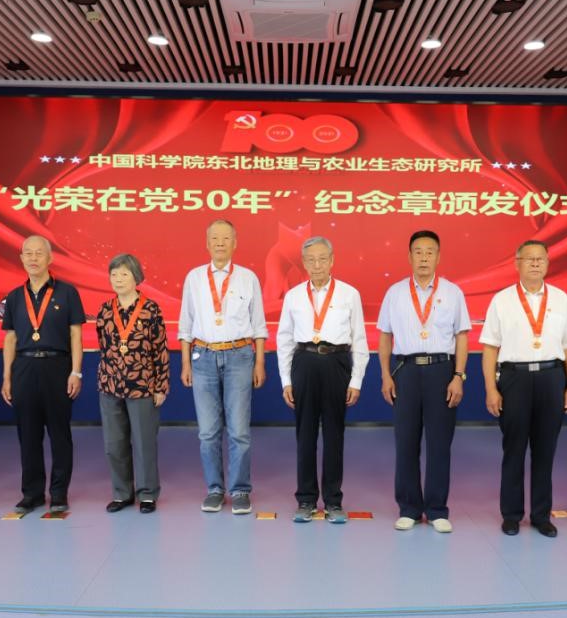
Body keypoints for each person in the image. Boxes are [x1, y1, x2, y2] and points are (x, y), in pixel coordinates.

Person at [481, 240, 567, 538]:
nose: (535, 263)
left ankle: (541, 516)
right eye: (529, 259)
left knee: (545, 450)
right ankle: (511, 515)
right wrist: (491, 389)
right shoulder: (502, 300)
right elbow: (490, 348)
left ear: (548, 263)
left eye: (541, 259)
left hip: (552, 378)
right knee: (513, 449)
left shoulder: (561, 299)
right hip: (514, 379)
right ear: (517, 263)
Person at [377, 230, 470, 534]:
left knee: (440, 443)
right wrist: (385, 374)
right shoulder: (395, 293)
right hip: (405, 370)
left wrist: (458, 376)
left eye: (430, 252)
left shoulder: (453, 293)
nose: (424, 258)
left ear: (438, 257)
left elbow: (462, 336)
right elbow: (385, 336)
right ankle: (409, 508)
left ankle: (437, 509)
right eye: (418, 252)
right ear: (409, 256)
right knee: (406, 442)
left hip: (441, 370)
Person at [276, 236, 370, 524]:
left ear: (332, 261)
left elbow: (360, 339)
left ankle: (333, 500)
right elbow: (284, 339)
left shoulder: (349, 294)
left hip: (336, 363)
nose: (316, 265)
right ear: (304, 264)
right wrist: (286, 380)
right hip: (304, 362)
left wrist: (356, 380)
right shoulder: (293, 296)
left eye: (322, 259)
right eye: (310, 260)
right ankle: (305, 499)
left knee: (334, 434)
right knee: (305, 434)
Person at [178, 219, 268, 515]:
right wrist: (185, 363)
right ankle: (215, 489)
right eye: (214, 238)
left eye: (225, 238)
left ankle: (240, 490)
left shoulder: (248, 277)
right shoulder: (194, 277)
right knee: (207, 431)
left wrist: (259, 362)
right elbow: (185, 324)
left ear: (234, 243)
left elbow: (258, 325)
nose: (220, 243)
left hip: (240, 356)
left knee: (239, 430)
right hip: (202, 357)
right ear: (207, 243)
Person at [0, 235, 85, 514]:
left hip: (57, 367)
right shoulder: (15, 297)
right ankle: (32, 493)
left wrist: (76, 372)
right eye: (28, 253)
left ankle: (59, 493)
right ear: (21, 258)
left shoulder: (67, 292)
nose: (33, 258)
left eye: (39, 253)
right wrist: (7, 377)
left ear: (50, 258)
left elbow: (76, 335)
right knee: (28, 435)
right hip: (24, 368)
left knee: (60, 434)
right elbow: (10, 338)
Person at [96, 253, 169, 514]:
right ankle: (121, 493)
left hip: (142, 386)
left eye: (124, 274)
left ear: (136, 277)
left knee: (144, 442)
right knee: (114, 444)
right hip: (110, 385)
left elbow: (160, 349)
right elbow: (103, 347)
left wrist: (160, 386)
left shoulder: (151, 309)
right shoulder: (105, 310)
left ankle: (147, 494)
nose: (118, 279)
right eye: (114, 274)